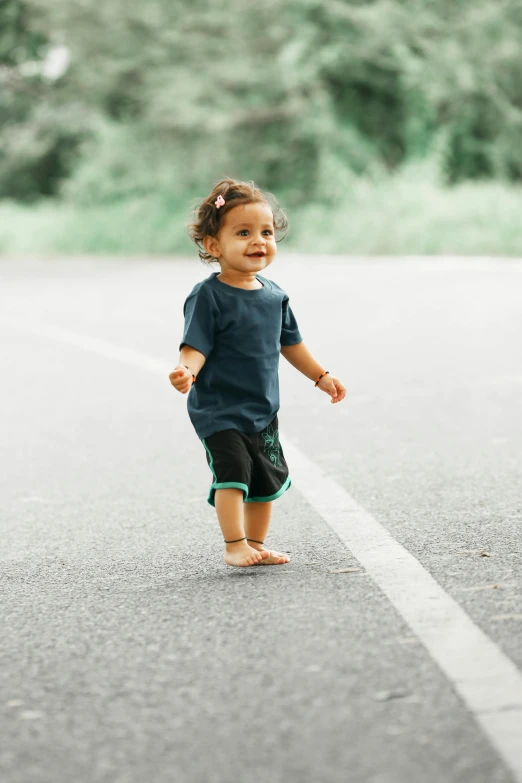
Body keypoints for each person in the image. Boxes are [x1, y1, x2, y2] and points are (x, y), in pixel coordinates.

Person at [169, 177, 346, 568]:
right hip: (219, 408)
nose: (258, 241)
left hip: (262, 409)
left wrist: (321, 376)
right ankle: (234, 544)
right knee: (234, 473)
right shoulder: (209, 295)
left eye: (266, 232)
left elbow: (292, 344)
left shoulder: (274, 295)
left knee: (266, 480)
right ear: (214, 246)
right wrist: (187, 371)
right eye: (244, 232)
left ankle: (255, 544)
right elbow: (195, 344)